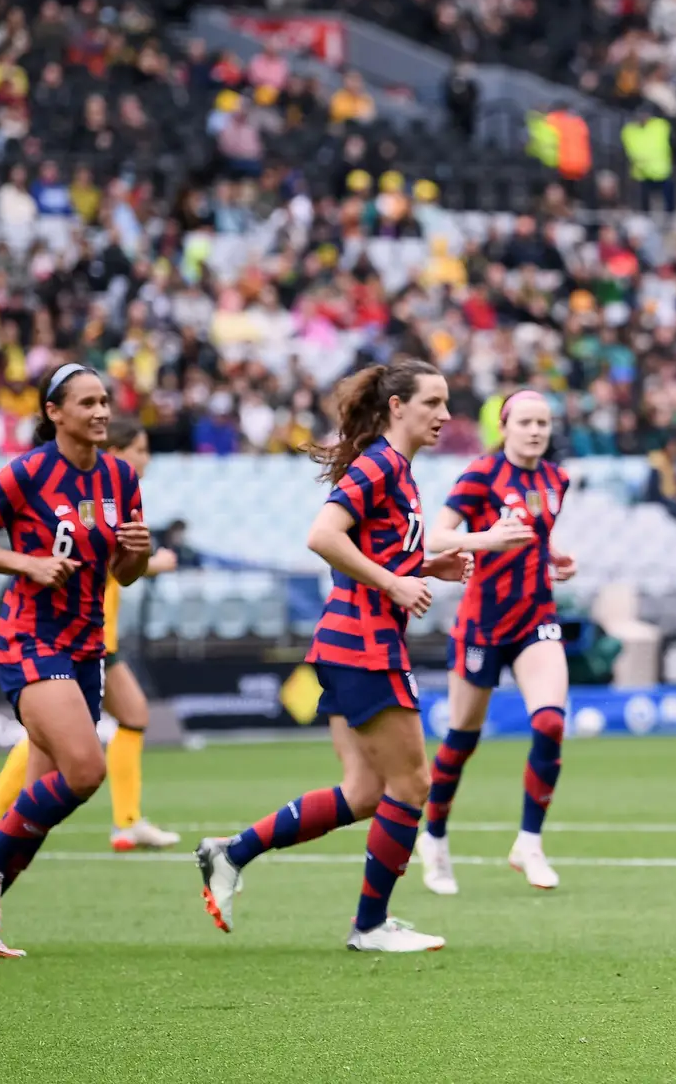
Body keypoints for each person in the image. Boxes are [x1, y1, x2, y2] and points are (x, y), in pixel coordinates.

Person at [194, 360, 472, 953]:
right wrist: (396, 585)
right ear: (397, 406)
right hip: (366, 645)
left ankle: (231, 853)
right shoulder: (380, 465)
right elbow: (323, 535)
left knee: (365, 793)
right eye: (433, 403)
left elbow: (375, 548)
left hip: (348, 642)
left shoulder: (397, 469)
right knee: (413, 783)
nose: (445, 415)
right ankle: (369, 927)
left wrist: (422, 566)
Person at [0, 363, 152, 958]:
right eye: (86, 403)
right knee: (86, 771)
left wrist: (139, 554)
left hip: (87, 646)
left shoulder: (120, 477)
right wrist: (26, 564)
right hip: (32, 638)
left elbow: (124, 574)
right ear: (54, 413)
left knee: (43, 803)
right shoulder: (27, 473)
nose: (101, 411)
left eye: (105, 400)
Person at [0, 419, 184, 851]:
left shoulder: (117, 493)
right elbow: (91, 561)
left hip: (98, 635)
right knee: (74, 738)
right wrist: (152, 562)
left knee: (127, 717)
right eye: (139, 449)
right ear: (118, 449)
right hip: (75, 634)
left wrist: (142, 557)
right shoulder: (86, 494)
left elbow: (119, 565)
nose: (145, 459)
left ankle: (124, 821)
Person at [415, 389, 577, 896]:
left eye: (543, 423)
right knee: (462, 739)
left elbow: (534, 531)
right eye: (525, 422)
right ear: (504, 427)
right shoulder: (481, 475)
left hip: (536, 617)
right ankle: (434, 838)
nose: (535, 431)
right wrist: (485, 540)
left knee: (550, 721)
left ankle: (529, 842)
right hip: (482, 624)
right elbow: (437, 536)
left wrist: (553, 556)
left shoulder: (555, 479)